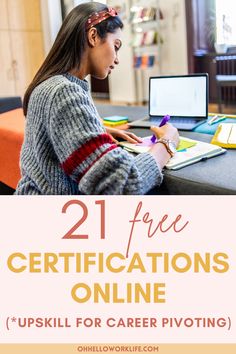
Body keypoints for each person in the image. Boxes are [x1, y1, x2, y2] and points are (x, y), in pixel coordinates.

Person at [15, 2, 179, 195]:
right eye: (115, 46)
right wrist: (167, 143)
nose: (117, 59)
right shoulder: (64, 92)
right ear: (93, 36)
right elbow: (122, 185)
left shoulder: (47, 85)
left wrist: (95, 129)